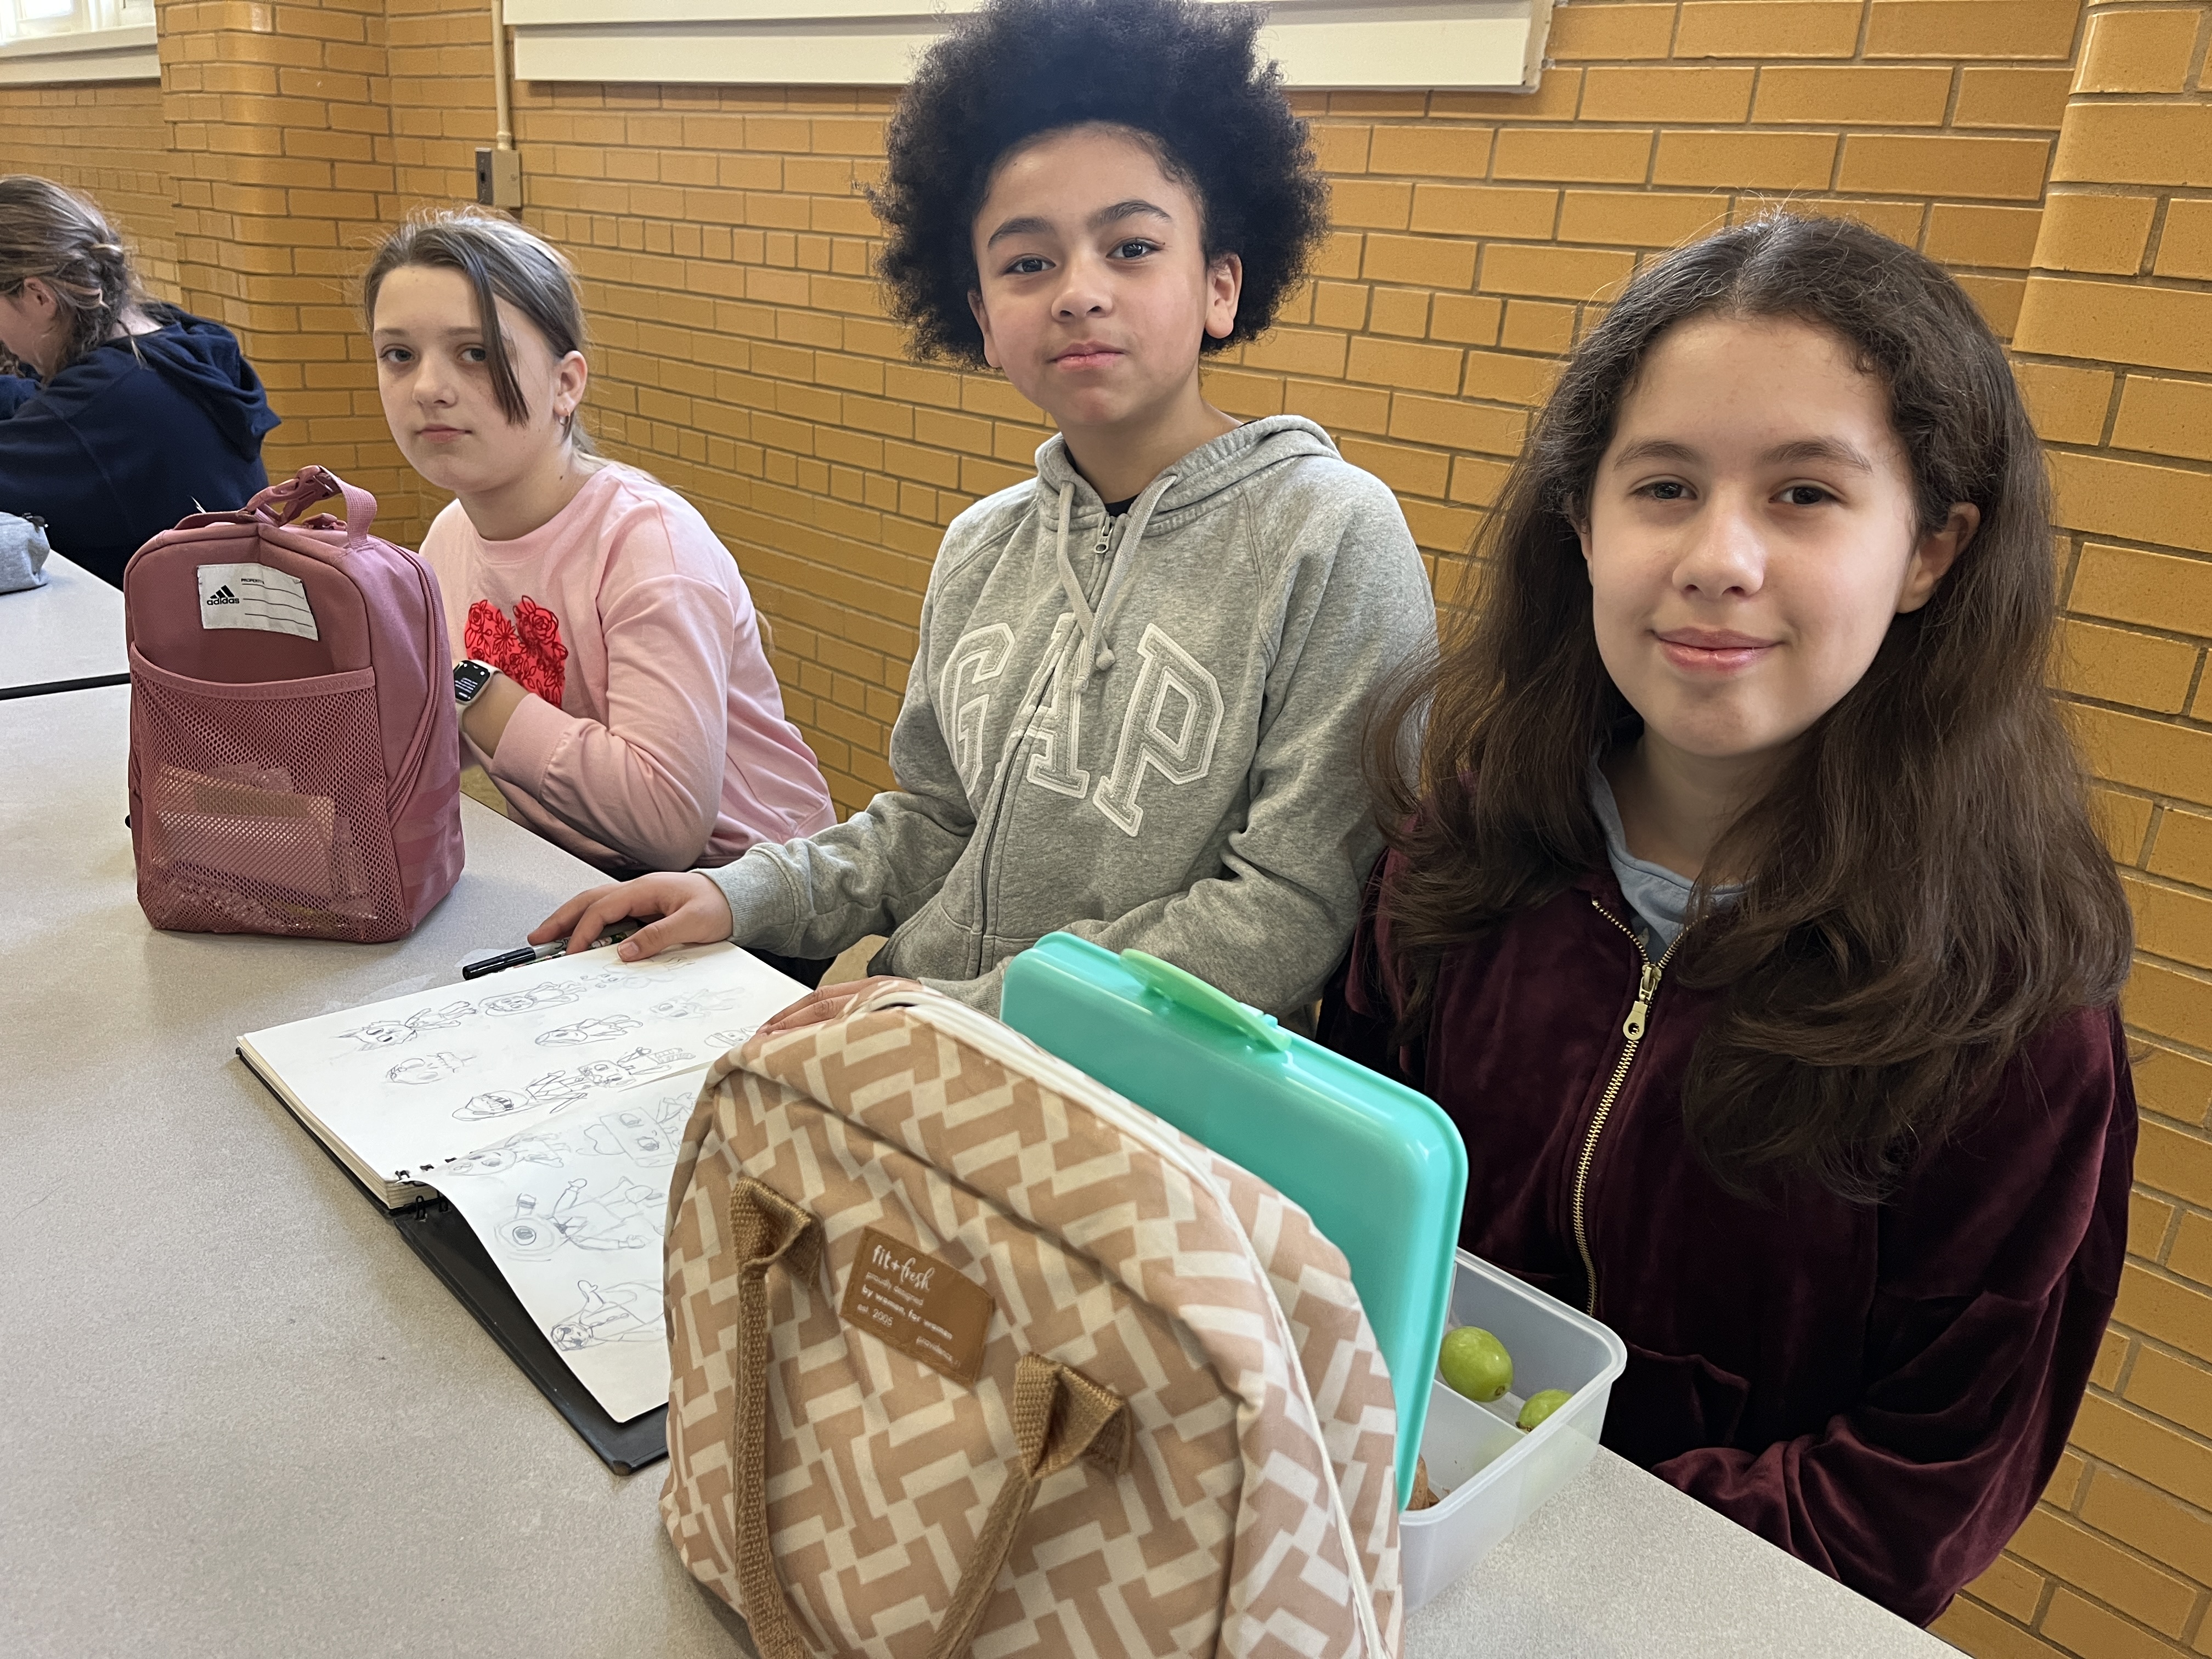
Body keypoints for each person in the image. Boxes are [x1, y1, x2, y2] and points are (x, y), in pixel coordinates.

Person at [1321, 213, 2136, 1623]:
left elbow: (1923, 1484)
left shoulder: (2011, 1015)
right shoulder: (1465, 844)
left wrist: (1533, 1546)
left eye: (1807, 495)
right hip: (1359, 1550)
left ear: (1932, 551)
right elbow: (1342, 1187)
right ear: (1581, 523)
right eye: (1665, 488)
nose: (1721, 559)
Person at [532, 0, 1434, 1012]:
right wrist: (737, 892)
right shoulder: (982, 546)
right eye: (1027, 261)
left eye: (1131, 247)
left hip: (1149, 1108)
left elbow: (1287, 912)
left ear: (1220, 285)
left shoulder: (1333, 534)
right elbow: (936, 823)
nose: (1077, 291)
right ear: (982, 320)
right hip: (914, 1038)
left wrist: (961, 1016)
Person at [363, 211, 835, 875]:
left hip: (751, 891)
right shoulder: (449, 535)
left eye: (476, 353)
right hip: (582, 864)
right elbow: (438, 745)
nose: (429, 389)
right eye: (399, 355)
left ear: (566, 384)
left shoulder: (649, 545)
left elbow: (667, 823)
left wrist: (468, 686)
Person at [0, 176, 277, 588]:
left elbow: (69, 423)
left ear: (39, 296)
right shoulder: (174, 340)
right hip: (237, 621)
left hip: (168, 643)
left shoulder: (97, 408)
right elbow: (40, 406)